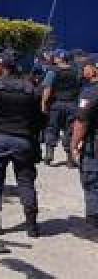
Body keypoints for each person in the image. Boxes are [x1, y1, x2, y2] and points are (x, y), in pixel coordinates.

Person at [0, 51, 45, 238]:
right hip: (23, 141)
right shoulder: (31, 89)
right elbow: (40, 118)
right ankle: (32, 226)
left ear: (3, 67)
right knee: (26, 183)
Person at [71, 59, 98, 229]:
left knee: (92, 183)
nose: (82, 70)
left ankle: (95, 223)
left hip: (94, 146)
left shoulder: (91, 92)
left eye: (85, 67)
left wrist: (74, 145)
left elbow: (81, 121)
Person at [42, 49, 80, 167]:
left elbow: (47, 88)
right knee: (69, 131)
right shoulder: (76, 71)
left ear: (60, 58)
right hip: (72, 104)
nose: (54, 58)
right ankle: (70, 159)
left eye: (55, 57)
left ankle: (49, 154)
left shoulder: (52, 71)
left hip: (56, 104)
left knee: (52, 128)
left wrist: (43, 102)